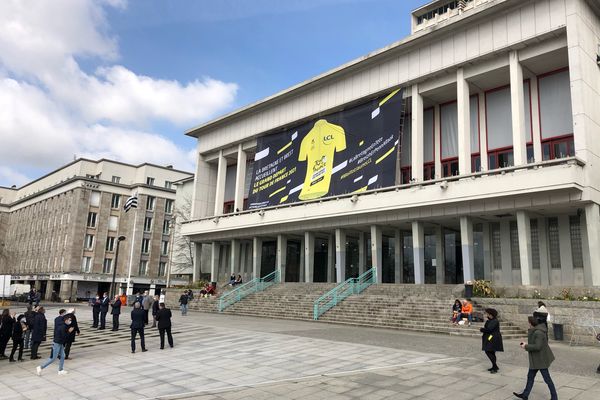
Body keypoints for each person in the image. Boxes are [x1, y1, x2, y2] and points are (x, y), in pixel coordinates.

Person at [513, 316, 558, 400]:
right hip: (536, 360)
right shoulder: (536, 331)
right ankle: (525, 395)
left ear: (531, 323)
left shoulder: (538, 332)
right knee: (530, 377)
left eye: (528, 322)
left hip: (540, 360)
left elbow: (538, 346)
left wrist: (526, 346)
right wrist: (526, 344)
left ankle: (554, 397)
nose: (528, 324)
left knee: (547, 379)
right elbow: (536, 343)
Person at [480, 308, 503, 373]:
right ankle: (494, 366)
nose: (486, 314)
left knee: (488, 351)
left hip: (493, 338)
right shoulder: (490, 320)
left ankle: (495, 366)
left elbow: (489, 329)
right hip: (490, 337)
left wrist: (482, 329)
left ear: (491, 314)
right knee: (491, 352)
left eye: (487, 313)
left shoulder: (495, 321)